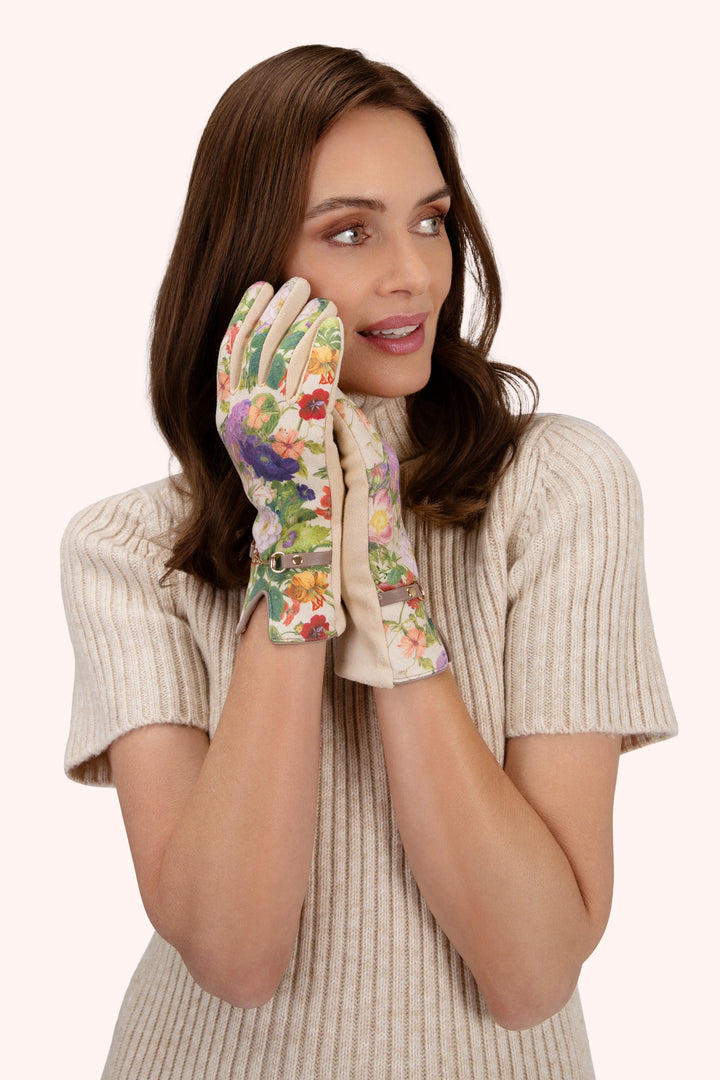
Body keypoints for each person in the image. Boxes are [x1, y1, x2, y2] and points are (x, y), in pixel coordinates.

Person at [61, 44, 677, 1080]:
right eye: (350, 231)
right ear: (246, 267)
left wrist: (384, 585)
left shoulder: (561, 487)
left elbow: (530, 973)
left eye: (430, 221)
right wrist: (297, 546)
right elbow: (235, 956)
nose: (412, 275)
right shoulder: (125, 553)